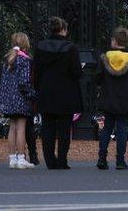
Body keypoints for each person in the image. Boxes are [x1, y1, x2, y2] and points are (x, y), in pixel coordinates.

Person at [34, 16, 83, 170]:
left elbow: (36, 71)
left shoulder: (40, 47)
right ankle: (62, 160)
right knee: (64, 127)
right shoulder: (71, 48)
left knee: (47, 127)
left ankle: (50, 160)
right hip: (66, 92)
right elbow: (76, 72)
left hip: (46, 91)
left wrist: (38, 87)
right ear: (63, 30)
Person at [95, 27, 128, 170]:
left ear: (114, 41)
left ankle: (102, 158)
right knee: (122, 129)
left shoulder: (105, 58)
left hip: (108, 96)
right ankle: (120, 160)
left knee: (107, 128)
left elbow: (98, 78)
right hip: (124, 98)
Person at [0, 32, 35, 169]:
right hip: (20, 98)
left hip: (9, 98)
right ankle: (21, 158)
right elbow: (24, 82)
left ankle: (12, 158)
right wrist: (32, 94)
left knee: (12, 127)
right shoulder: (24, 60)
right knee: (21, 128)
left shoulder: (8, 59)